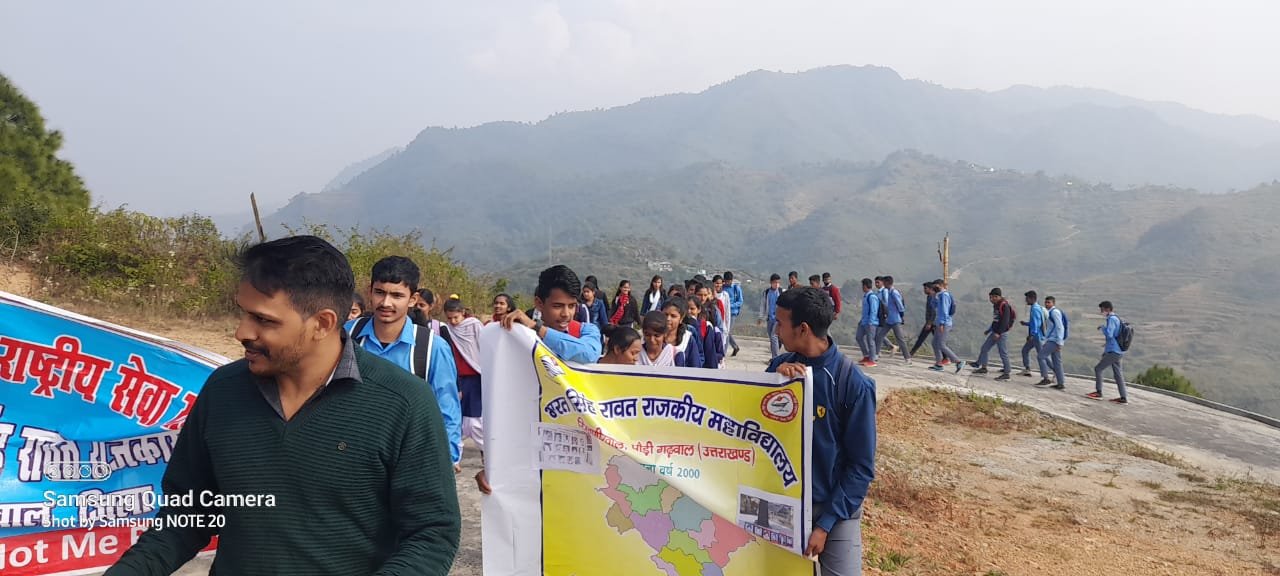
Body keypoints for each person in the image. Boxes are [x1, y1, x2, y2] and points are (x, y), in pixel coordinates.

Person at [105, 236, 461, 574]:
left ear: (322, 323)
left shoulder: (403, 403)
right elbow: (185, 518)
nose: (242, 332)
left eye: (263, 320)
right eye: (244, 314)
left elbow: (431, 535)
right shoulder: (223, 391)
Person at [765, 287, 875, 576]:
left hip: (835, 511)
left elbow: (861, 467)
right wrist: (775, 383)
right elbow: (754, 429)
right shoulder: (778, 368)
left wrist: (825, 525)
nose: (776, 330)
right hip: (783, 506)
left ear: (803, 329)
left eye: (780, 323)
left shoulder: (851, 382)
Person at [477, 264, 604, 494]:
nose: (566, 314)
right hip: (528, 443)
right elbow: (501, 399)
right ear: (538, 303)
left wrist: (538, 328)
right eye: (557, 306)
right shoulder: (516, 337)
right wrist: (493, 466)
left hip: (575, 445)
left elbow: (588, 353)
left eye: (572, 306)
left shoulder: (587, 331)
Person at [345, 257, 462, 469]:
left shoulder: (431, 348)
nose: (386, 303)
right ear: (370, 292)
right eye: (380, 292)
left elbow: (447, 409)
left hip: (409, 461)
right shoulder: (346, 336)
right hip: (351, 456)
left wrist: (446, 460)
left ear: (412, 299)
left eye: (397, 295)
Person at [445, 297, 485, 458]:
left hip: (475, 376)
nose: (453, 321)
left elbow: (484, 345)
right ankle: (454, 456)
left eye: (456, 317)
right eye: (449, 318)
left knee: (476, 419)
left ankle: (487, 454)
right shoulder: (447, 329)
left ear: (463, 313)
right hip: (458, 378)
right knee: (457, 418)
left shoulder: (474, 325)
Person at [1089, 300, 1129, 404]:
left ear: (1107, 309)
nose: (1101, 312)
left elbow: (1109, 334)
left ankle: (1098, 392)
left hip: (1113, 351)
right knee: (1118, 374)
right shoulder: (1117, 318)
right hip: (1118, 351)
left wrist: (1103, 328)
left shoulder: (1111, 319)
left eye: (1102, 309)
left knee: (1098, 369)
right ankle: (1123, 397)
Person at [972, 287, 1015, 380]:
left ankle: (1007, 373)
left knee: (1003, 352)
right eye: (990, 297)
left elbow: (1005, 321)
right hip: (995, 332)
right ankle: (984, 368)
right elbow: (996, 320)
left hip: (1001, 333)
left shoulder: (1004, 305)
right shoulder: (996, 305)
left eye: (992, 297)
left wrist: (998, 333)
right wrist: (989, 330)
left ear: (997, 296)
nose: (991, 299)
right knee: (984, 348)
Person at [928, 280, 965, 373]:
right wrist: (933, 296)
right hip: (939, 323)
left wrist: (941, 323)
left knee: (941, 344)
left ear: (941, 285)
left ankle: (958, 361)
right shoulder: (939, 295)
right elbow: (934, 306)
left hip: (944, 323)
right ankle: (939, 364)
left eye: (936, 286)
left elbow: (944, 311)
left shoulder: (944, 295)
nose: (934, 288)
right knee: (934, 343)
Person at [874, 276, 910, 365]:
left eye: (884, 282)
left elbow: (900, 306)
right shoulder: (889, 292)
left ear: (887, 283)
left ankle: (908, 359)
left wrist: (901, 316)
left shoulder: (894, 292)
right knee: (880, 336)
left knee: (900, 339)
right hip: (889, 319)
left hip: (895, 320)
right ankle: (876, 355)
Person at [1037, 296, 1067, 390]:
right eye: (1046, 302)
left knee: (1041, 356)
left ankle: (1045, 378)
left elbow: (1060, 327)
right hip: (1053, 340)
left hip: (1054, 340)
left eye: (1049, 302)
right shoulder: (1050, 312)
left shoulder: (1054, 312)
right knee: (1057, 362)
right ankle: (1060, 383)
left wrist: (1059, 342)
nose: (1047, 304)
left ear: (1053, 303)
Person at [663, 296, 702, 368]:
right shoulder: (653, 336)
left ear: (681, 318)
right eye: (665, 314)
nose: (668, 319)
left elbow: (695, 367)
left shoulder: (687, 339)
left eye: (673, 316)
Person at [687, 296, 725, 368]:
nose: (689, 311)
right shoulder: (680, 326)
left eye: (692, 309)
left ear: (699, 310)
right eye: (686, 308)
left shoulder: (705, 326)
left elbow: (709, 352)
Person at [1019, 290, 1049, 380]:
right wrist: (1026, 323)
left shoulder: (1035, 309)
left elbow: (1036, 324)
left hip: (1036, 337)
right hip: (1036, 336)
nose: (1026, 300)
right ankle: (1027, 369)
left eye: (1027, 298)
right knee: (1025, 350)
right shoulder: (1036, 307)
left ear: (1032, 299)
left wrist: (1031, 335)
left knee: (1041, 356)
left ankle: (1048, 376)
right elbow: (1034, 323)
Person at [758, 274, 785, 356]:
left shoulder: (781, 292)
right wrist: (760, 317)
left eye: (778, 282)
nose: (776, 284)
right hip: (769, 318)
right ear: (771, 282)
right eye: (775, 282)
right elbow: (763, 305)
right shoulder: (767, 293)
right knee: (772, 338)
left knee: (773, 337)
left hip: (778, 319)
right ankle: (774, 355)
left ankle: (775, 358)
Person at [909, 281, 937, 359]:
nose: (924, 290)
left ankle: (911, 353)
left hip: (932, 323)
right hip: (930, 322)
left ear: (931, 289)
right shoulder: (930, 297)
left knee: (934, 340)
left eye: (925, 288)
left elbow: (933, 311)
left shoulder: (932, 298)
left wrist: (929, 323)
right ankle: (911, 353)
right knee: (921, 338)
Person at [856, 278, 881, 367]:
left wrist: (870, 322)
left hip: (871, 323)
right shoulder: (866, 296)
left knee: (870, 341)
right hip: (864, 322)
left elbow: (874, 311)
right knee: (859, 337)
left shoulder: (872, 297)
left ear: (865, 286)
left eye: (863, 286)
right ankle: (866, 355)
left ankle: (872, 360)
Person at [723, 271, 744, 356]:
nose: (728, 283)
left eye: (729, 281)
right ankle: (735, 346)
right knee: (725, 331)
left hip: (732, 313)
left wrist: (730, 305)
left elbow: (740, 301)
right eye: (726, 281)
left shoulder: (736, 288)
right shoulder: (722, 288)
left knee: (727, 332)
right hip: (723, 312)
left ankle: (724, 351)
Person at [713, 275, 734, 357]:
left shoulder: (725, 295)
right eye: (716, 283)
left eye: (720, 283)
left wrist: (727, 327)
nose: (718, 285)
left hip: (722, 323)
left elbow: (727, 312)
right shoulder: (711, 294)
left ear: (722, 284)